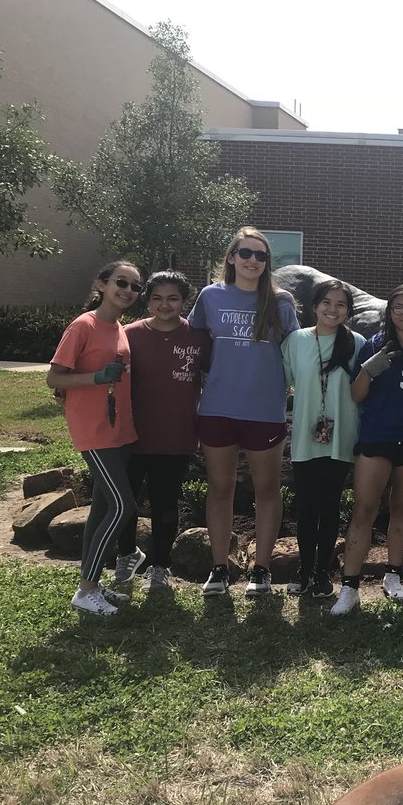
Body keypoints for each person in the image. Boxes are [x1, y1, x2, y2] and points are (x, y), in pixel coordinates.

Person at [189, 227, 300, 597]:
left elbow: (297, 353)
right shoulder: (210, 296)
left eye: (261, 255)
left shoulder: (281, 302)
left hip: (264, 411)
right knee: (220, 488)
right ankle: (219, 568)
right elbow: (190, 344)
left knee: (266, 490)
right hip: (217, 408)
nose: (253, 260)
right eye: (246, 253)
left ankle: (262, 570)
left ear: (268, 263)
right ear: (232, 257)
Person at [335, 284, 403, 614]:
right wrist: (369, 369)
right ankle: (350, 586)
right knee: (364, 509)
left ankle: (393, 575)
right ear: (389, 312)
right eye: (398, 307)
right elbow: (356, 396)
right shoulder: (374, 345)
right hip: (377, 438)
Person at [47, 260, 142, 615]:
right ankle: (86, 590)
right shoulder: (82, 326)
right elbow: (54, 379)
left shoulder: (120, 328)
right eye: (121, 282)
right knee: (123, 507)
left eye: (135, 287)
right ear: (100, 284)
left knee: (102, 508)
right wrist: (97, 378)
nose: (128, 290)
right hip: (94, 430)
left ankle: (91, 586)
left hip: (119, 429)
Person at [118, 270, 211, 593]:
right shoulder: (128, 334)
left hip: (177, 436)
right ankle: (125, 556)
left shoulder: (199, 337)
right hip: (130, 436)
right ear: (147, 300)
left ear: (184, 301)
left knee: (165, 504)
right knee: (125, 502)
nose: (165, 304)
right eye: (157, 298)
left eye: (173, 298)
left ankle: (160, 567)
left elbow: (219, 376)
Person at [282, 279, 363, 600]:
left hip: (340, 436)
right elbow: (283, 382)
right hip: (305, 435)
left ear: (348, 311)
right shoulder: (295, 341)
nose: (332, 309)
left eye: (340, 304)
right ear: (315, 305)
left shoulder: (356, 343)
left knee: (330, 506)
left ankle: (322, 572)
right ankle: (304, 568)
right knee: (306, 506)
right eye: (326, 302)